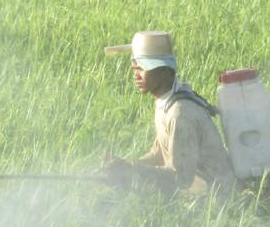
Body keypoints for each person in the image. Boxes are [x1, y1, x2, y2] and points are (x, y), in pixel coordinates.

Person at [98, 31, 235, 198]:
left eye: (142, 68)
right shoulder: (166, 102)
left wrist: (131, 171)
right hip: (197, 190)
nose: (136, 75)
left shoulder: (180, 114)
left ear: (165, 71)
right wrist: (126, 166)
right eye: (134, 68)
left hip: (214, 198)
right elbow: (159, 152)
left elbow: (180, 177)